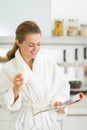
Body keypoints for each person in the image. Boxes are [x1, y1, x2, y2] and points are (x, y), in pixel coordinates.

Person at [0, 21, 70, 130]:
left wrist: (58, 103)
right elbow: (4, 102)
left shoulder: (49, 63)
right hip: (23, 123)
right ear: (18, 42)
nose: (36, 49)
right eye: (31, 45)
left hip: (47, 123)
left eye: (39, 44)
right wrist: (15, 91)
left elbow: (62, 89)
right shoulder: (8, 69)